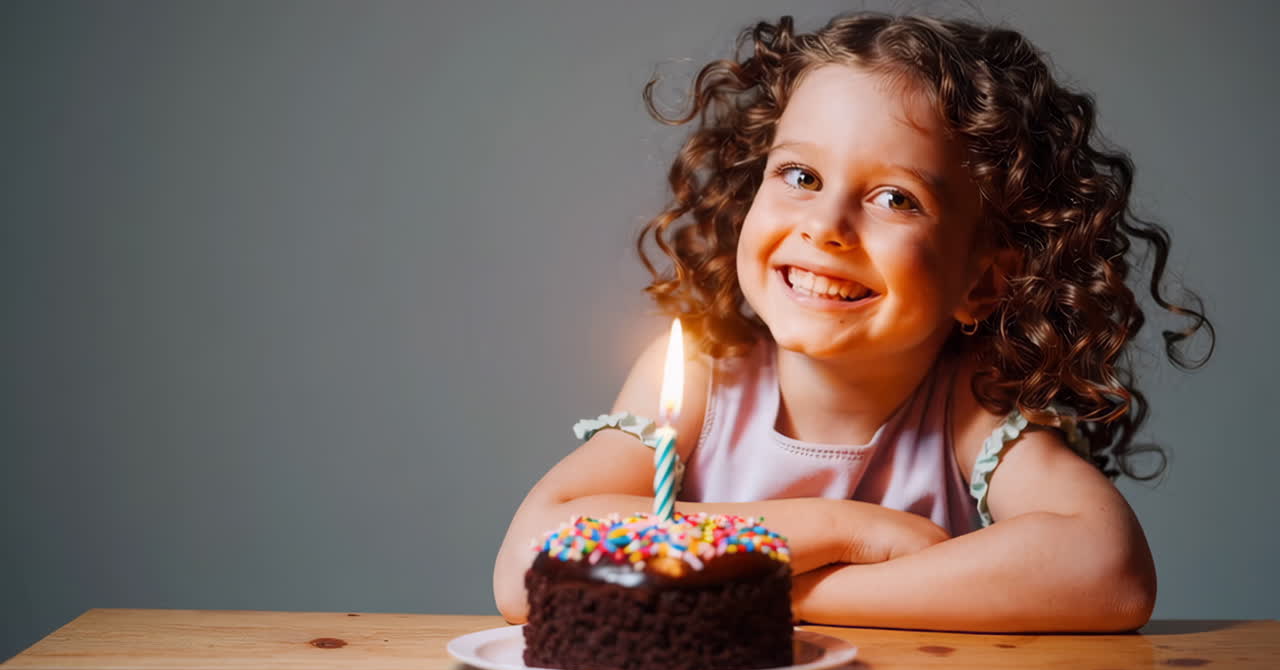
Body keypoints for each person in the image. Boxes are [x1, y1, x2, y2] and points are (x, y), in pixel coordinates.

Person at [493, 13, 1212, 632]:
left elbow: (1108, 571)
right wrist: (846, 531)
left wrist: (791, 591)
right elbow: (527, 565)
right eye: (801, 177)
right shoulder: (699, 377)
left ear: (985, 278)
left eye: (895, 199)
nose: (826, 228)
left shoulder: (971, 409)